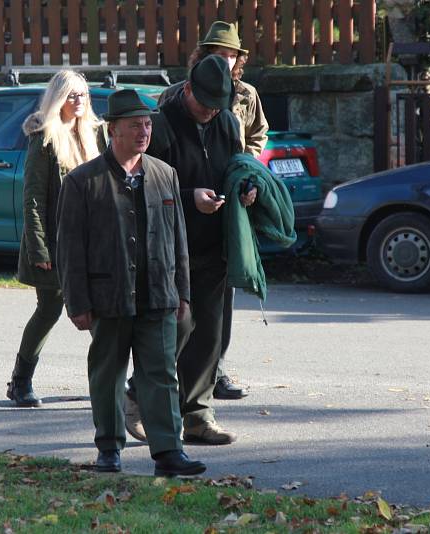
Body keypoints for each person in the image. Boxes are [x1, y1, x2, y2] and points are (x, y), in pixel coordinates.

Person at [56, 89, 206, 477]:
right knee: (107, 375)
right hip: (108, 296)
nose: (144, 131)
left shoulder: (164, 174)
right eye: (134, 125)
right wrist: (77, 302)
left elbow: (178, 239)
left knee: (161, 374)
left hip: (159, 295)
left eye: (147, 124)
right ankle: (109, 448)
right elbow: (70, 249)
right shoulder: (82, 181)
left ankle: (169, 452)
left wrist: (182, 292)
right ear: (113, 131)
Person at [126, 54, 256, 445]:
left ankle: (197, 414)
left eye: (216, 107)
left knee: (209, 334)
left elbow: (236, 167)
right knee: (175, 328)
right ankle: (138, 398)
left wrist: (247, 189)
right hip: (168, 248)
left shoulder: (229, 123)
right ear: (186, 91)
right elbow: (139, 186)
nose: (209, 113)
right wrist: (188, 197)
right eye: (203, 105)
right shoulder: (160, 127)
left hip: (213, 244)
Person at [158, 20, 269, 400]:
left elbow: (250, 143)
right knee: (180, 318)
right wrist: (190, 196)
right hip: (179, 231)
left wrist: (246, 182)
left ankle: (206, 390)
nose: (226, 59)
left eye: (231, 53)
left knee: (215, 314)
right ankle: (152, 387)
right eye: (218, 53)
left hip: (220, 225)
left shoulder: (242, 100)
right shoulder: (170, 105)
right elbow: (157, 171)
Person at [7, 71, 105, 407]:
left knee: (99, 311)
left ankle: (111, 379)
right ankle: (20, 381)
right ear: (57, 99)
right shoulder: (44, 137)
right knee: (49, 309)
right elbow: (33, 197)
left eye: (83, 95)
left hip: (91, 242)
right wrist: (38, 247)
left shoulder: (94, 135)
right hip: (55, 242)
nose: (79, 102)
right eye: (71, 96)